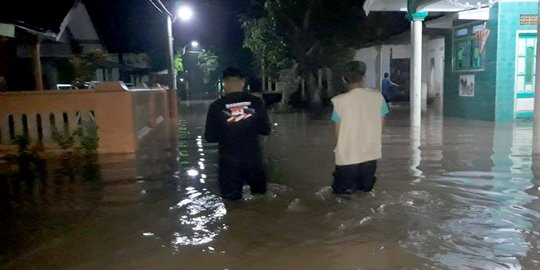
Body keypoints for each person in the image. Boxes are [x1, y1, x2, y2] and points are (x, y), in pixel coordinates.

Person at [205, 67, 271, 200]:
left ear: (224, 82)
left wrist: (228, 129)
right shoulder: (256, 102)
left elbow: (210, 137)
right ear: (243, 82)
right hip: (254, 159)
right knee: (261, 201)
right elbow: (266, 130)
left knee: (232, 204)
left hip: (228, 162)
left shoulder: (216, 106)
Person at [330, 61, 390, 194]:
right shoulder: (378, 98)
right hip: (370, 156)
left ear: (344, 79)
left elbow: (338, 134)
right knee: (364, 194)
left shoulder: (339, 101)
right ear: (364, 77)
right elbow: (380, 127)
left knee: (342, 198)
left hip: (347, 158)